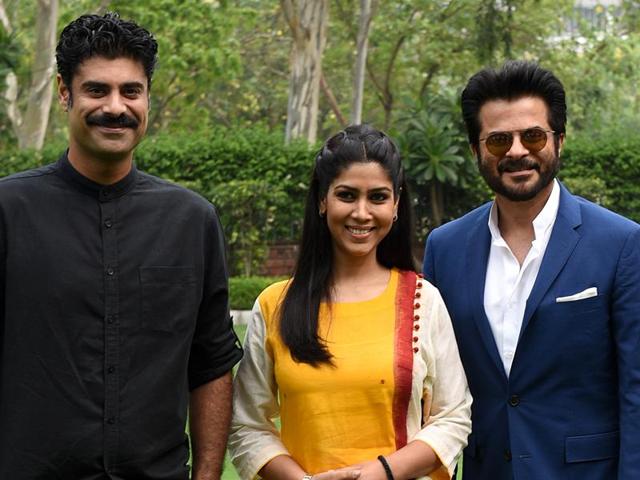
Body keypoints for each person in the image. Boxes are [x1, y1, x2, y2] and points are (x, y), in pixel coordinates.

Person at [0, 13, 243, 479]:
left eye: (131, 91)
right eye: (97, 90)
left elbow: (211, 363)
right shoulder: (9, 211)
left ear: (147, 97)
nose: (116, 106)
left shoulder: (191, 221)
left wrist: (208, 475)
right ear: (64, 92)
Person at [423, 60, 640, 479]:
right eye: (499, 140)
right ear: (476, 150)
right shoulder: (444, 248)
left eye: (533, 135)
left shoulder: (622, 243)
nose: (518, 151)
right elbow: (433, 388)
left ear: (559, 141)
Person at [229, 124, 471, 480]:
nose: (361, 212)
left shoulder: (422, 300)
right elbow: (246, 424)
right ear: (322, 200)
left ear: (396, 204)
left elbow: (453, 415)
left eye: (377, 197)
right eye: (346, 195)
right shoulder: (275, 305)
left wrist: (382, 472)